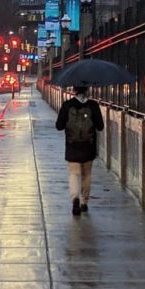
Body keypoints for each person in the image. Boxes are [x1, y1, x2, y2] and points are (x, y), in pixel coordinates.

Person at [55, 85, 104, 216]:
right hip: (88, 146)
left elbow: (58, 126)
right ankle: (84, 202)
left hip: (72, 145)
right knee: (86, 174)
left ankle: (75, 198)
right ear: (87, 89)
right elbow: (100, 127)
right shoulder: (93, 105)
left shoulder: (67, 105)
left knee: (74, 174)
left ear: (74, 90)